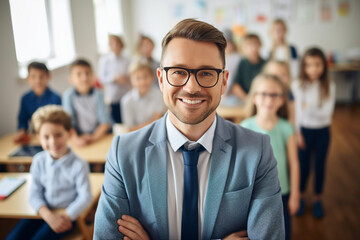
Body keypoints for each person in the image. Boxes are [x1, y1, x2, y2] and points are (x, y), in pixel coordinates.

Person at [94, 19, 284, 240]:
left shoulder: (257, 151)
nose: (192, 87)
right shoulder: (123, 152)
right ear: (161, 79)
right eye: (178, 72)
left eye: (206, 73)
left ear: (223, 82)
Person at [6, 105, 92, 240]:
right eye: (46, 137)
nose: (53, 142)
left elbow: (85, 197)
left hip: (67, 216)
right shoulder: (39, 161)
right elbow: (34, 194)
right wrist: (48, 216)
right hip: (43, 213)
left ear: (69, 134)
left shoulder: (79, 164)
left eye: (58, 135)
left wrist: (67, 216)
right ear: (39, 138)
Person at [241, 74, 300, 240]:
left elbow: (294, 163)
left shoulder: (287, 128)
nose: (269, 99)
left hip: (283, 192)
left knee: (282, 233)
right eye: (263, 94)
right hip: (255, 194)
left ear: (281, 100)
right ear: (254, 97)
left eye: (274, 95)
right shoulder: (246, 127)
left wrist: (295, 195)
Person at [292, 47, 336, 218]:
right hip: (303, 131)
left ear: (324, 66)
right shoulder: (297, 85)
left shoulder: (329, 85)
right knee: (303, 166)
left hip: (323, 131)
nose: (313, 69)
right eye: (309, 65)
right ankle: (301, 196)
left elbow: (327, 112)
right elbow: (297, 113)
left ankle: (317, 198)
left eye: (317, 65)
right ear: (303, 66)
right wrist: (297, 133)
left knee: (319, 166)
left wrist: (307, 107)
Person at [62, 59, 111, 147]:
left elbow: (105, 122)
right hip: (78, 137)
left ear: (93, 76)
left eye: (88, 73)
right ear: (71, 79)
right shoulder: (68, 96)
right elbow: (68, 123)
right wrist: (75, 138)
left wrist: (93, 138)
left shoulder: (99, 94)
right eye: (79, 74)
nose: (84, 77)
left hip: (98, 136)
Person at [14, 62, 61, 144]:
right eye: (33, 77)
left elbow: (60, 122)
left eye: (41, 76)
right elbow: (22, 120)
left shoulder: (56, 98)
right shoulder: (25, 98)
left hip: (53, 137)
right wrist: (22, 133)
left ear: (48, 77)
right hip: (35, 137)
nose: (38, 80)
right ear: (28, 79)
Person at [121, 60, 166, 131]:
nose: (142, 82)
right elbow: (130, 128)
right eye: (138, 78)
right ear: (131, 80)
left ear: (152, 77)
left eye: (145, 77)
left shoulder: (159, 95)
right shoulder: (126, 101)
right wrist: (151, 122)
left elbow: (158, 122)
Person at [98, 35, 131, 123]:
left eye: (117, 43)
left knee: (127, 119)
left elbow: (131, 74)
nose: (115, 46)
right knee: (117, 121)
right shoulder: (105, 60)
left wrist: (126, 78)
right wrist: (114, 78)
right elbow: (101, 78)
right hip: (113, 96)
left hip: (126, 93)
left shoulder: (127, 59)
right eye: (112, 43)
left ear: (121, 44)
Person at [232, 33, 266, 100]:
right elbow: (236, 86)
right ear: (243, 47)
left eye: (255, 44)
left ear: (260, 44)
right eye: (249, 45)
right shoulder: (242, 63)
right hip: (245, 99)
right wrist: (247, 99)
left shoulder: (266, 64)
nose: (253, 48)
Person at [263, 60, 295, 125]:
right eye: (274, 75)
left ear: (289, 77)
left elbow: (292, 119)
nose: (279, 79)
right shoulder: (262, 93)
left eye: (283, 75)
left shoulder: (289, 95)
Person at [221, 29, 242, 106]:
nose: (226, 46)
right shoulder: (220, 58)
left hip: (234, 93)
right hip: (224, 94)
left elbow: (231, 78)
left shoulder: (238, 58)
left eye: (228, 43)